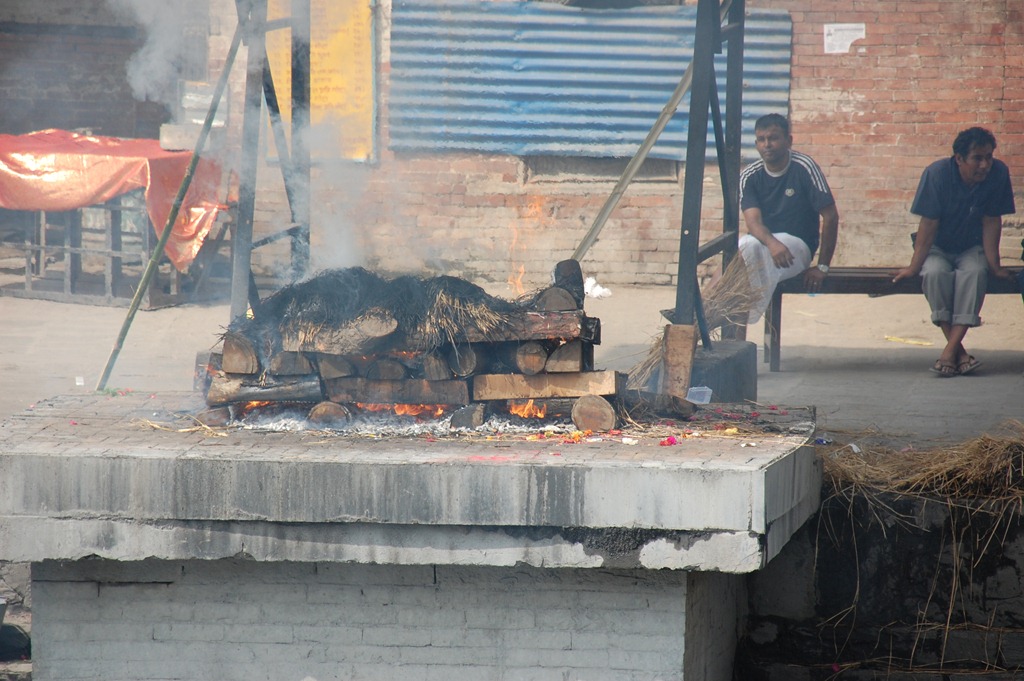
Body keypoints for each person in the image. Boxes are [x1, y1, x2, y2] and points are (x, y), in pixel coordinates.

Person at [893, 127, 1016, 377]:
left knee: (975, 273)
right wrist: (914, 268)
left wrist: (995, 266)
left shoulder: (999, 173)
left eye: (989, 157)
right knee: (935, 274)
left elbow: (992, 221)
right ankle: (958, 352)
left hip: (972, 246)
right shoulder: (936, 175)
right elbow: (928, 226)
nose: (985, 165)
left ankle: (949, 353)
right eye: (977, 158)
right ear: (959, 158)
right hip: (938, 246)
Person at [737, 113, 839, 323]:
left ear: (788, 141)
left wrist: (822, 267)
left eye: (773, 138)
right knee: (743, 250)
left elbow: (830, 217)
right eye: (761, 140)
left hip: (796, 249)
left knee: (740, 268)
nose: (767, 145)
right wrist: (773, 243)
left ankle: (701, 314)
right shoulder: (750, 175)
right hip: (764, 246)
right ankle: (706, 318)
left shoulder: (804, 167)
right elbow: (753, 223)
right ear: (756, 143)